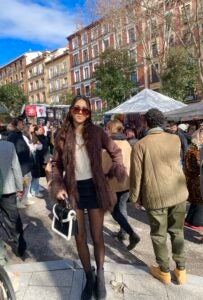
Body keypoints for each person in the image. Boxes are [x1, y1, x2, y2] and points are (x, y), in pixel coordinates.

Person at [51, 95, 125, 300]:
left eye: (85, 110)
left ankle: (100, 275)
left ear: (90, 112)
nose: (81, 112)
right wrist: (58, 186)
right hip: (73, 190)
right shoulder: (62, 135)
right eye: (77, 109)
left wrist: (112, 173)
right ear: (70, 110)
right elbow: (56, 164)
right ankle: (89, 277)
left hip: (94, 188)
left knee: (97, 235)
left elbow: (116, 153)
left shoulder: (98, 132)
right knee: (80, 237)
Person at [130, 108, 188, 285]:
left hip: (155, 195)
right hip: (178, 192)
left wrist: (134, 198)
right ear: (162, 122)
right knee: (178, 232)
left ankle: (163, 271)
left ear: (146, 123)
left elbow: (136, 175)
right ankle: (181, 269)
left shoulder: (140, 144)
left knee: (158, 234)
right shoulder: (175, 138)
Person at [103, 120, 140, 249]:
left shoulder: (109, 144)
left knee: (113, 209)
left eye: (107, 128)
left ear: (111, 129)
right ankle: (123, 232)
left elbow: (104, 165)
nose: (105, 130)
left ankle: (130, 232)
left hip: (112, 183)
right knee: (122, 207)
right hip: (126, 182)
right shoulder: (127, 144)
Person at [0, 137, 27, 260]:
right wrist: (19, 187)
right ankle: (19, 247)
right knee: (12, 219)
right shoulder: (8, 146)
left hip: (7, 190)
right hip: (8, 190)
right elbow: (16, 167)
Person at [7, 117, 34, 208]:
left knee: (27, 182)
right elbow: (13, 151)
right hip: (20, 164)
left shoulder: (18, 134)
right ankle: (18, 201)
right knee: (20, 183)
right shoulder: (13, 135)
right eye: (22, 123)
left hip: (25, 164)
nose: (23, 125)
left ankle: (24, 199)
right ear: (18, 123)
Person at [184, 130, 203, 229]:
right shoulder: (194, 150)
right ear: (198, 137)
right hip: (195, 180)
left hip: (193, 180)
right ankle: (196, 222)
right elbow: (195, 166)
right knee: (199, 202)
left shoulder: (193, 148)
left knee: (195, 202)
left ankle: (189, 220)